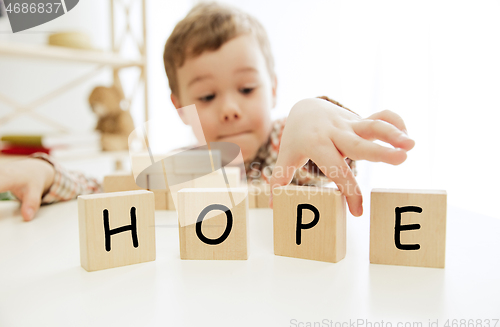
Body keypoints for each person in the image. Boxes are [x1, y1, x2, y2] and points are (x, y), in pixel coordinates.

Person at [0, 2, 414, 222]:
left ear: (272, 89)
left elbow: (333, 157)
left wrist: (316, 112)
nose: (231, 109)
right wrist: (49, 173)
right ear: (180, 110)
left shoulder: (291, 141)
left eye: (247, 88)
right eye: (208, 97)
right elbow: (108, 191)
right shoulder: (189, 166)